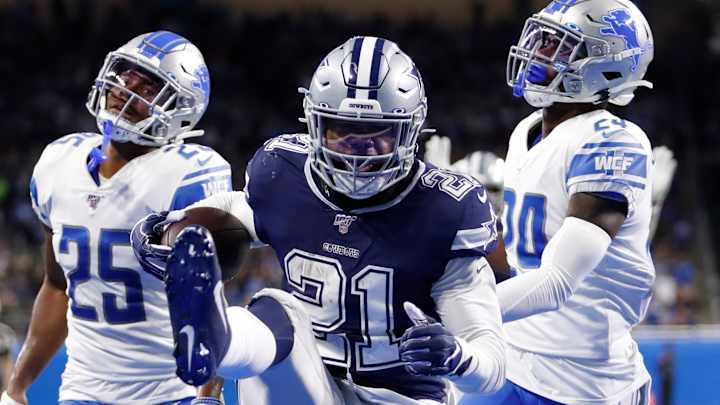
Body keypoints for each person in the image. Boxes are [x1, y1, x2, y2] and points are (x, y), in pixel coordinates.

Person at [133, 36, 506, 405]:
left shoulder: (445, 210)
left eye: (378, 133)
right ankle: (218, 340)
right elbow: (238, 211)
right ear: (314, 124)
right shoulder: (284, 173)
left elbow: (491, 366)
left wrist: (458, 357)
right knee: (276, 308)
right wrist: (174, 230)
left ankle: (221, 340)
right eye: (342, 130)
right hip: (311, 386)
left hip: (403, 398)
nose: (358, 150)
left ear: (410, 131)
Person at [1, 31, 230, 405]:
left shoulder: (188, 177)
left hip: (170, 393)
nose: (127, 87)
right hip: (82, 391)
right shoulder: (58, 162)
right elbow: (57, 285)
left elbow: (213, 302)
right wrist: (17, 386)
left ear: (181, 109)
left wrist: (209, 394)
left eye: (149, 85)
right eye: (126, 74)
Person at [458, 0, 656, 404]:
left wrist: (454, 311)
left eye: (556, 46)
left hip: (583, 381)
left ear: (605, 65)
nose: (537, 53)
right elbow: (515, 256)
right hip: (511, 355)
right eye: (541, 40)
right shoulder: (526, 131)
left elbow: (555, 283)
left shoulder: (612, 141)